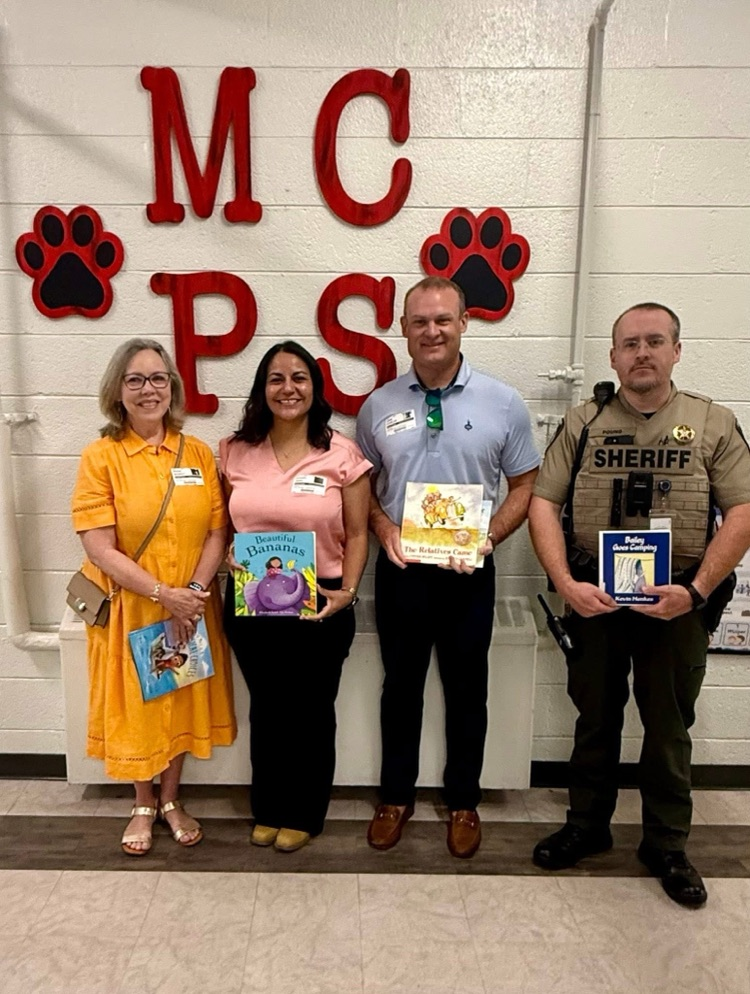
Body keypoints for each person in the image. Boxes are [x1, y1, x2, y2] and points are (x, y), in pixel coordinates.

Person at [529, 302, 750, 906]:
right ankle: (586, 828)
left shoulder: (712, 422)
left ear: (677, 350)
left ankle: (667, 844)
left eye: (655, 341)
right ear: (613, 357)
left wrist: (697, 592)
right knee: (595, 717)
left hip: (676, 600)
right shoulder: (584, 422)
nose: (642, 353)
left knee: (669, 727)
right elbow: (543, 506)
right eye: (630, 344)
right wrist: (565, 585)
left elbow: (743, 512)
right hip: (595, 595)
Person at [355, 276, 540, 858]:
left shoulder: (502, 401)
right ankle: (395, 797)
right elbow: (361, 489)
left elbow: (525, 483)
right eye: (419, 321)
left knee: (468, 688)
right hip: (401, 570)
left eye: (442, 319)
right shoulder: (377, 405)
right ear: (404, 330)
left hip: (469, 571)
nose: (431, 331)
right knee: (400, 688)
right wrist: (384, 530)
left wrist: (490, 537)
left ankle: (464, 800)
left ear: (464, 323)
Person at [71, 338, 237, 856]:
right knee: (141, 707)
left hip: (189, 605)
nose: (149, 389)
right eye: (136, 380)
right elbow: (98, 546)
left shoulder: (197, 453)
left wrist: (192, 592)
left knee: (180, 697)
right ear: (118, 392)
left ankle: (171, 800)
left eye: (158, 378)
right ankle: (142, 804)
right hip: (134, 606)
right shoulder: (102, 457)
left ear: (173, 387)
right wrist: (163, 593)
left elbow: (217, 530)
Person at [220, 340, 371, 853]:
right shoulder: (234, 450)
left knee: (310, 709)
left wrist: (348, 592)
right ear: (262, 390)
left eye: (299, 378)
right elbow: (221, 527)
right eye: (277, 379)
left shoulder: (341, 453)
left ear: (315, 387)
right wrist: (225, 560)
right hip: (252, 602)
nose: (288, 388)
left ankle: (305, 812)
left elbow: (357, 533)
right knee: (267, 706)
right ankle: (269, 806)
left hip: (321, 603)